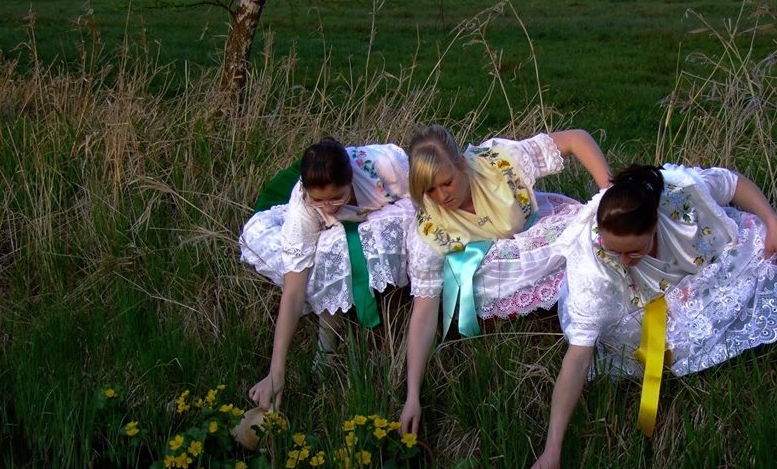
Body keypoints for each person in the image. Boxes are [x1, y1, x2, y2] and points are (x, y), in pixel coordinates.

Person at [525, 163, 777, 469]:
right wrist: (552, 446)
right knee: (625, 340)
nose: (625, 260)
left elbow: (733, 184)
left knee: (762, 251)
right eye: (616, 251)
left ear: (655, 223)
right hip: (628, 302)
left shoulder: (678, 194)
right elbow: (578, 358)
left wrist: (774, 221)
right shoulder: (592, 268)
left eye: (635, 250)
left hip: (686, 275)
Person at [400, 124, 612, 437]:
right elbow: (424, 311)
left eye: (446, 183)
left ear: (462, 163)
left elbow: (575, 138)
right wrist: (412, 395)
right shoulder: (430, 230)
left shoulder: (499, 163)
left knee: (589, 237)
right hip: (492, 269)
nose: (441, 196)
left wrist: (609, 191)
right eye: (430, 190)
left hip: (532, 231)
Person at [240, 139, 415, 412]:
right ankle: (327, 349)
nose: (329, 206)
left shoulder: (385, 168)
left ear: (350, 180)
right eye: (319, 199)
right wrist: (276, 371)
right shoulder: (304, 209)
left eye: (337, 197)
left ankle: (401, 308)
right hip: (332, 233)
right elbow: (294, 290)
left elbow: (420, 195)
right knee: (327, 258)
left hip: (391, 208)